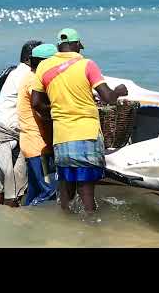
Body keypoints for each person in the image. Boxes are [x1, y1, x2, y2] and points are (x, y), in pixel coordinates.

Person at [31, 28, 128, 214]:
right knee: (86, 191)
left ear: (59, 46)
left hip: (61, 137)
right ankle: (91, 230)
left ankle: (66, 229)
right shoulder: (87, 65)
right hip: (86, 135)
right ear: (76, 45)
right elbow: (108, 98)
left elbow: (36, 103)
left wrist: (58, 110)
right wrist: (120, 91)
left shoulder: (44, 67)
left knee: (66, 191)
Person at [0, 40, 42, 207]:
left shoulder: (14, 72)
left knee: (0, 183)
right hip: (6, 132)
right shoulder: (27, 75)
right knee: (13, 183)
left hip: (0, 130)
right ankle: (11, 221)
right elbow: (37, 101)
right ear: (29, 59)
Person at [17, 44, 58, 206]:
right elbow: (42, 109)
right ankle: (33, 217)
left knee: (34, 190)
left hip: (31, 144)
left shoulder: (30, 77)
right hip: (39, 146)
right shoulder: (35, 81)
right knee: (50, 191)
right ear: (43, 63)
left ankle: (26, 221)